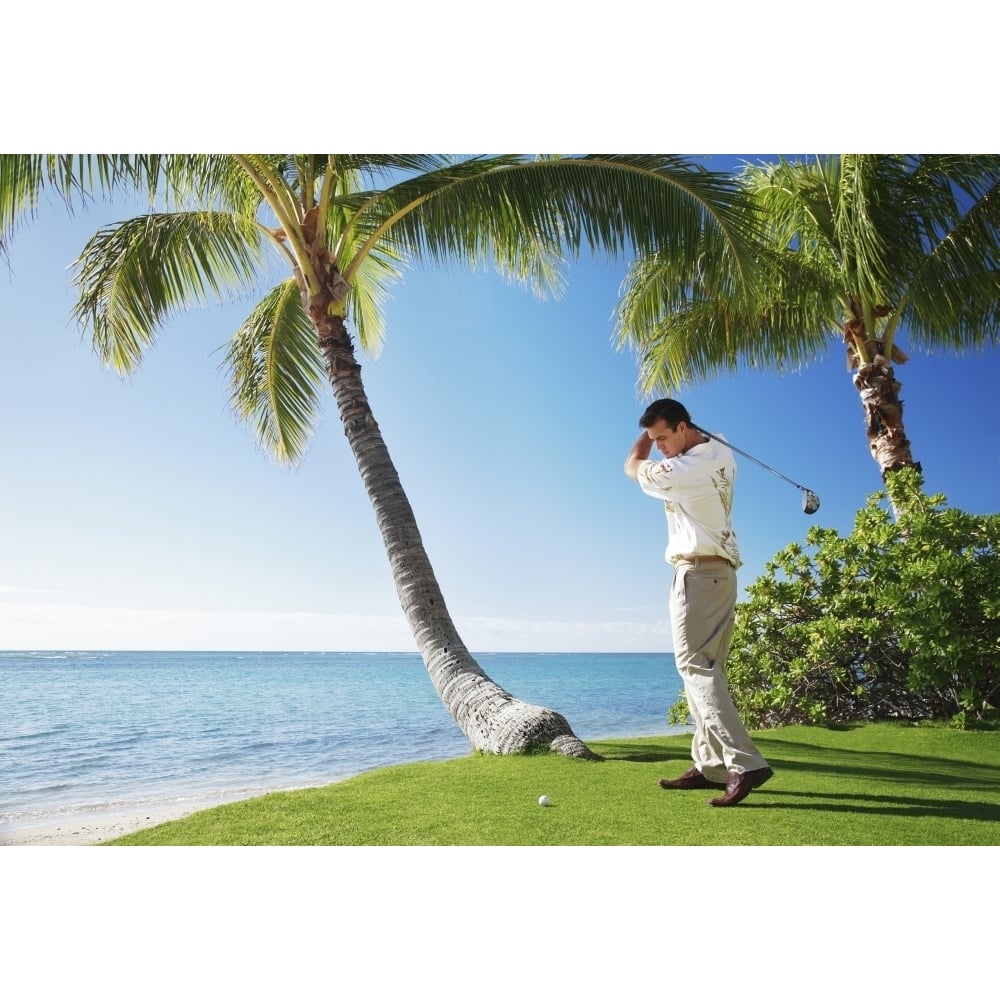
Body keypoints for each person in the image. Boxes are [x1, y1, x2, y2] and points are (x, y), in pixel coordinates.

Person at [624, 398, 773, 807]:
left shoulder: (688, 467)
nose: (658, 447)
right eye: (653, 439)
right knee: (707, 669)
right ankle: (710, 764)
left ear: (684, 426)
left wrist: (640, 440)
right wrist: (662, 430)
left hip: (699, 574)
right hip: (718, 574)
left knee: (694, 667)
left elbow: (631, 468)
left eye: (662, 437)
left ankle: (744, 762)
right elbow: (694, 439)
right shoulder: (717, 448)